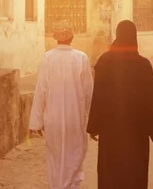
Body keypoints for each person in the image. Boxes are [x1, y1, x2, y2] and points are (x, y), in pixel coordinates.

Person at [87, 20, 153, 189]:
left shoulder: (105, 61)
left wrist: (94, 126)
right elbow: (151, 103)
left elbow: (98, 96)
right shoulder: (143, 65)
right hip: (136, 135)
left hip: (111, 134)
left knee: (111, 175)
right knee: (134, 176)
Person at [28, 20, 94, 189]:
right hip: (75, 119)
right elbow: (89, 92)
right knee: (75, 156)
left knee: (55, 158)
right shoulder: (81, 58)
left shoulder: (47, 58)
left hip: (53, 120)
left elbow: (40, 91)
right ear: (71, 37)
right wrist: (94, 122)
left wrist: (36, 122)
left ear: (55, 38)